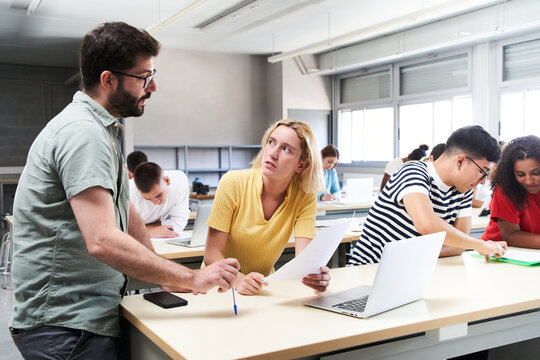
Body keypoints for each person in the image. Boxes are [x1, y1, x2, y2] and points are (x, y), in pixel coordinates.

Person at [9, 22, 239, 359]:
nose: (153, 86)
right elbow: (102, 239)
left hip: (79, 319)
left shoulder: (100, 129)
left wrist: (165, 276)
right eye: (144, 77)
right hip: (65, 326)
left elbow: (125, 211)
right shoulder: (83, 133)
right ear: (108, 80)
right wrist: (191, 277)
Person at [204, 119, 330, 295]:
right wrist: (238, 279)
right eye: (271, 142)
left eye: (286, 149)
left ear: (301, 165)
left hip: (262, 289)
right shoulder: (232, 182)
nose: (272, 153)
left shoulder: (305, 197)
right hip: (219, 287)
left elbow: (304, 262)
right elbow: (211, 254)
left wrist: (315, 277)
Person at [348, 126, 507, 266]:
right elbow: (427, 225)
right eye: (482, 171)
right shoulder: (413, 171)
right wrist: (479, 244)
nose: (483, 181)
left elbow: (459, 245)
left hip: (412, 273)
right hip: (368, 272)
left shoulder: (462, 190)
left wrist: (408, 254)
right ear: (460, 161)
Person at [481, 135, 540, 248]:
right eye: (520, 174)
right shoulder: (505, 189)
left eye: (536, 173)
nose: (529, 181)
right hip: (499, 252)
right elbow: (510, 236)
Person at [131, 162, 190, 237]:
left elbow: (179, 223)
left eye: (158, 195)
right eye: (147, 199)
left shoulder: (179, 180)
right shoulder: (128, 194)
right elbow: (118, 231)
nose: (155, 202)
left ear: (166, 180)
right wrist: (148, 232)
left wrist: (140, 228)